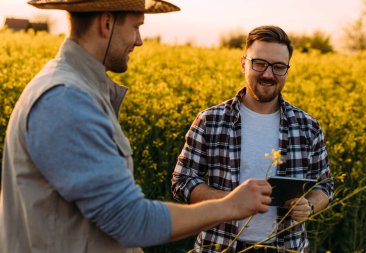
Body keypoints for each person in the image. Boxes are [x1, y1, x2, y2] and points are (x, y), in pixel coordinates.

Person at [0, 1, 274, 253]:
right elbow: (131, 220)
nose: (140, 40)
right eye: (136, 27)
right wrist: (230, 206)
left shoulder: (77, 89)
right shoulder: (67, 98)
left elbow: (97, 213)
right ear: (106, 23)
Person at [172, 25, 334, 253]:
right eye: (259, 64)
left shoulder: (308, 127)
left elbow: (325, 184)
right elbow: (182, 180)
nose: (268, 74)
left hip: (287, 247)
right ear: (243, 64)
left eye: (278, 67)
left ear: (287, 70)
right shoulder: (210, 120)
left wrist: (308, 205)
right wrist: (230, 201)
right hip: (219, 246)